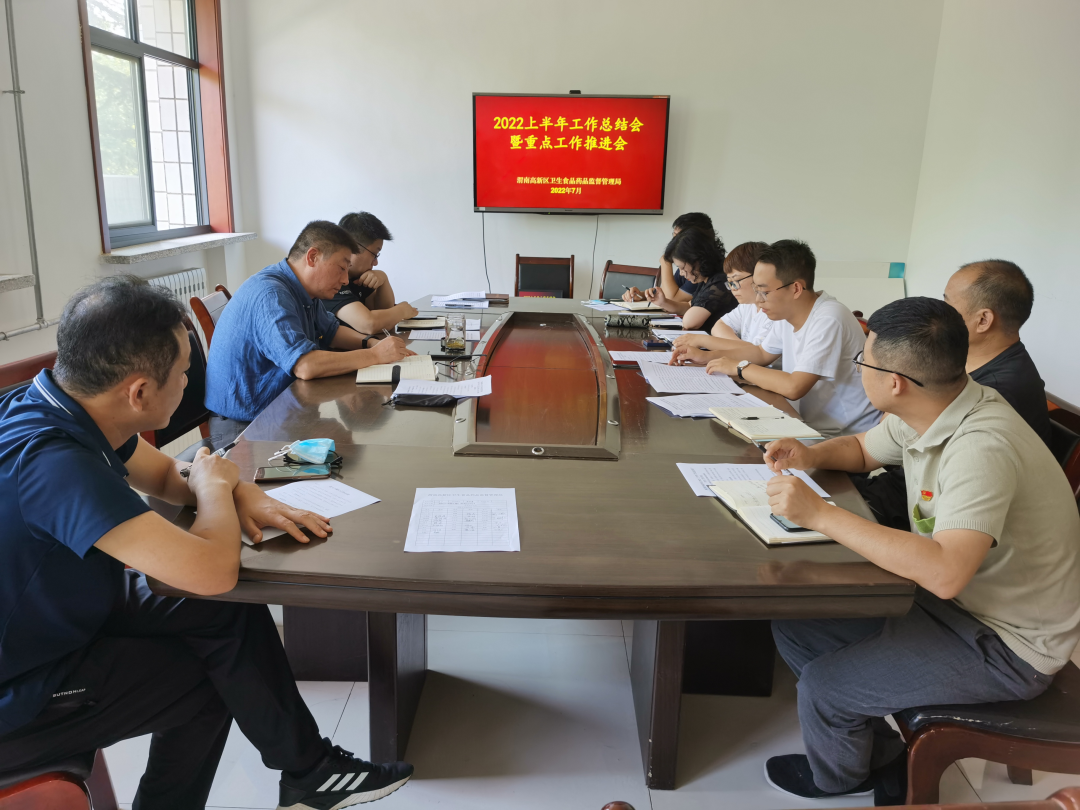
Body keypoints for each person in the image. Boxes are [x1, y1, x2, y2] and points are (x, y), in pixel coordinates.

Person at [0, 276, 413, 810]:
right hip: (23, 684)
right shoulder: (55, 465)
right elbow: (210, 570)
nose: (189, 379)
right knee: (209, 677)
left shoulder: (57, 405)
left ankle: (309, 771)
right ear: (139, 392)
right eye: (183, 371)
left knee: (223, 612)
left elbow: (166, 475)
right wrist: (218, 490)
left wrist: (240, 492)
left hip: (55, 610)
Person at [758, 297, 1080, 805]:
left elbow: (947, 573)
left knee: (824, 686)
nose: (858, 369)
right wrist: (810, 454)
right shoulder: (936, 405)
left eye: (863, 361)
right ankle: (873, 750)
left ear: (895, 382)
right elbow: (864, 449)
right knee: (797, 623)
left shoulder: (981, 446)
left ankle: (841, 779)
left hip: (1008, 643)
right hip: (958, 604)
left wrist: (820, 515)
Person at [858, 259, 1052, 529]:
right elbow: (886, 435)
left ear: (983, 320)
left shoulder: (998, 393)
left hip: (934, 507)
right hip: (912, 484)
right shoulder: (962, 363)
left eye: (948, 303)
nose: (940, 312)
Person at [205, 220, 414, 444]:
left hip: (278, 410)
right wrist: (375, 355)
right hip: (244, 427)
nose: (345, 279)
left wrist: (371, 343)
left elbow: (332, 331)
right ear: (313, 257)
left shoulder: (305, 291)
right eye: (342, 268)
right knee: (345, 454)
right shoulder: (271, 295)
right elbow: (305, 365)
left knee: (346, 451)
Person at [699, 239, 879, 438]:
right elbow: (761, 353)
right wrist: (706, 357)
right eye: (756, 290)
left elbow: (794, 387)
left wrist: (740, 368)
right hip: (808, 420)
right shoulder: (786, 312)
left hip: (844, 435)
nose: (758, 300)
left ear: (796, 289)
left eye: (764, 292)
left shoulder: (829, 318)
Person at [668, 241, 771, 364]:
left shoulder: (774, 313)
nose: (732, 288)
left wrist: (702, 340)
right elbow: (719, 326)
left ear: (759, 276)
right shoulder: (747, 305)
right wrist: (742, 348)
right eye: (730, 283)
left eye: (736, 281)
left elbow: (759, 355)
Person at [323, 211, 419, 333]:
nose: (375, 262)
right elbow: (369, 324)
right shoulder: (332, 280)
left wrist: (384, 279)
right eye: (374, 254)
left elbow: (385, 321)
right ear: (353, 246)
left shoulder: (358, 278)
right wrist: (402, 311)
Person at [642, 227, 737, 332]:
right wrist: (663, 302)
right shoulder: (706, 279)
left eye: (682, 268)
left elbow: (690, 323)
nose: (681, 273)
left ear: (698, 261)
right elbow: (688, 306)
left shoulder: (720, 282)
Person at [621, 212, 714, 304]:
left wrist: (666, 261)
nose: (673, 242)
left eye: (678, 238)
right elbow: (665, 294)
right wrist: (642, 295)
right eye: (674, 236)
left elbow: (671, 300)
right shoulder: (685, 266)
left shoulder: (699, 270)